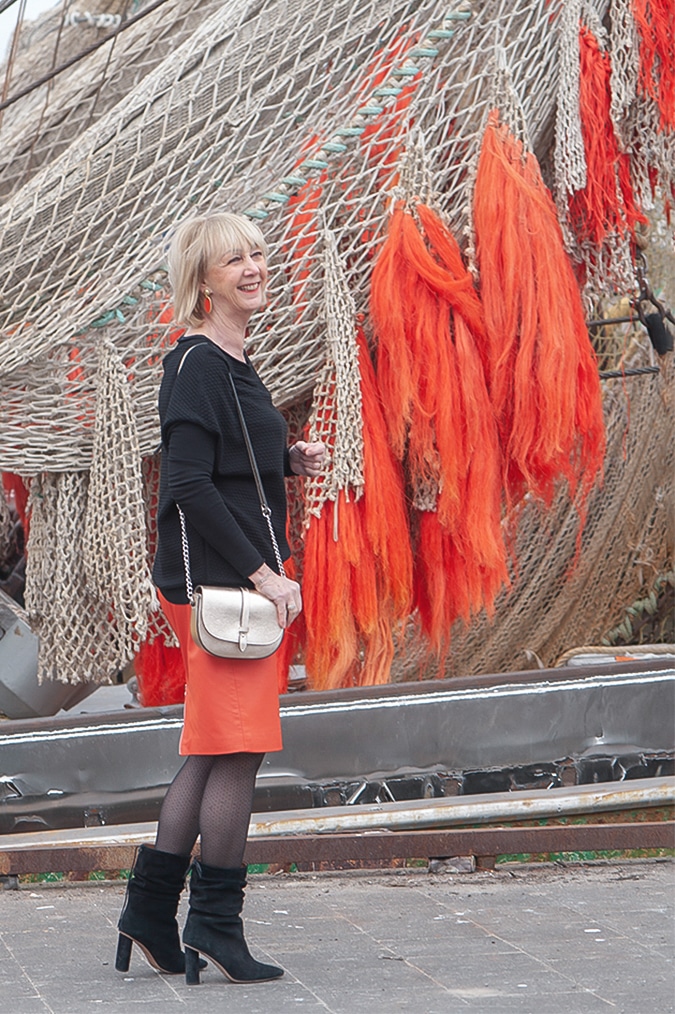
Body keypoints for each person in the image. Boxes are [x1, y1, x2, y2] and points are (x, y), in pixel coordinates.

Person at [115, 211, 325, 986]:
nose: (253, 266)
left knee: (215, 746)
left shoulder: (235, 360)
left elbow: (230, 462)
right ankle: (213, 926)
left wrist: (288, 461)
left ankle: (149, 911)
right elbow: (186, 485)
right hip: (220, 584)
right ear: (202, 282)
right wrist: (264, 576)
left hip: (226, 576)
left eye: (258, 253)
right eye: (233, 259)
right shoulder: (197, 364)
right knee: (240, 747)